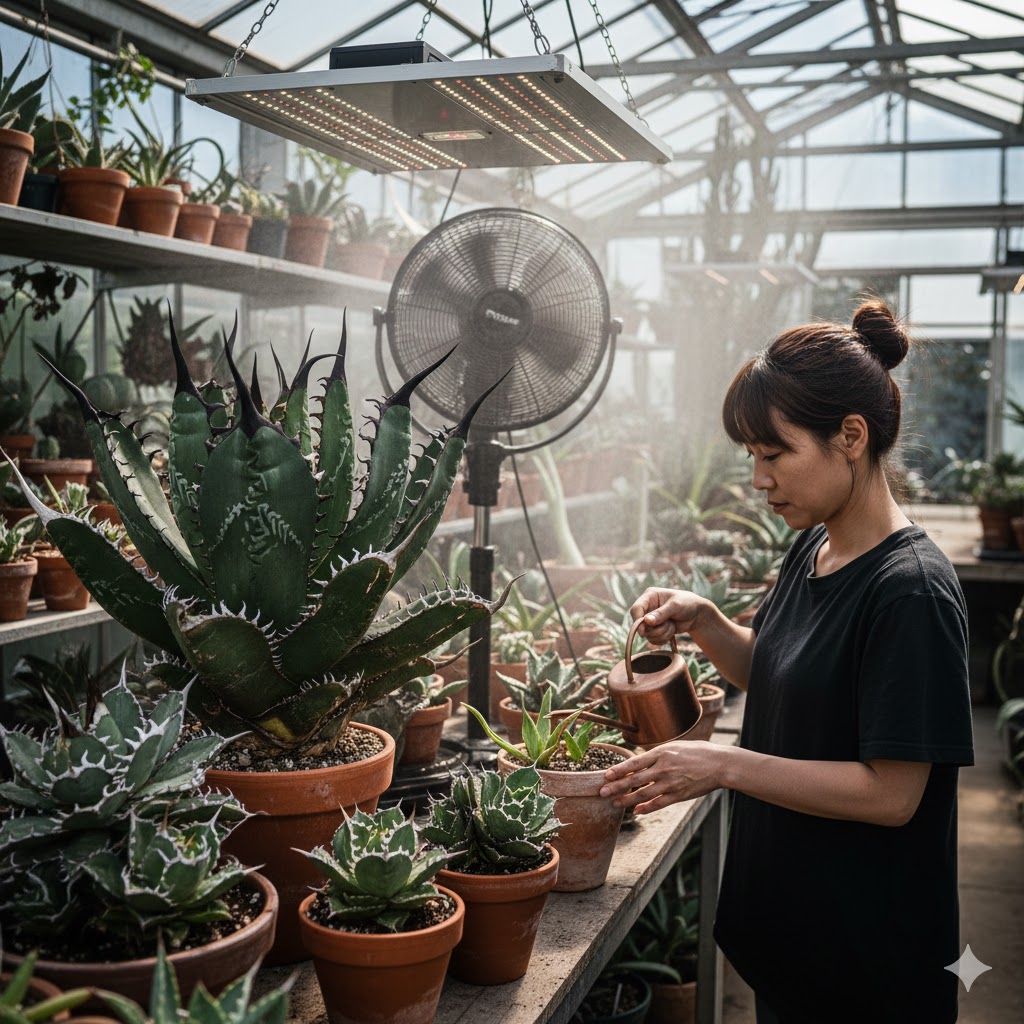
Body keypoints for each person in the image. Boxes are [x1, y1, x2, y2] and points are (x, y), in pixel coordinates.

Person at [598, 300, 974, 1024]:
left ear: (851, 437)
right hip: (798, 943)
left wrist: (725, 764)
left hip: (864, 970)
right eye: (753, 459)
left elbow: (892, 794)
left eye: (775, 455)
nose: (760, 480)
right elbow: (778, 673)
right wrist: (707, 622)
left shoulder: (911, 592)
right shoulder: (817, 543)